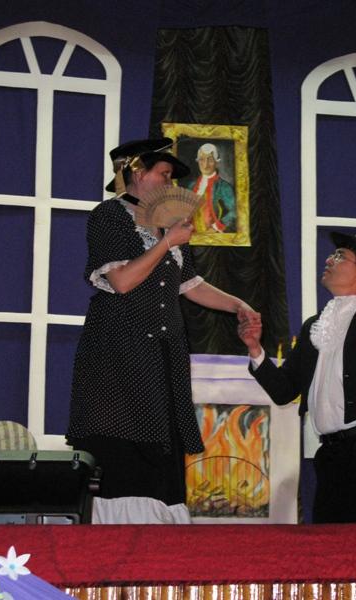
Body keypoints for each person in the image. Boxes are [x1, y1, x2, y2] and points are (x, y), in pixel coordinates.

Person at [67, 137, 260, 506]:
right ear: (138, 173)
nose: (170, 184)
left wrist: (238, 305)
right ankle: (119, 524)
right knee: (123, 439)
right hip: (119, 349)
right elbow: (122, 281)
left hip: (162, 350)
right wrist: (166, 242)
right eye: (164, 174)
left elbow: (190, 284)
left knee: (163, 441)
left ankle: (159, 525)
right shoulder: (109, 216)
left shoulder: (166, 226)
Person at [237, 214, 356, 523]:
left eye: (340, 256)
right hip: (333, 453)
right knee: (330, 542)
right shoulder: (314, 326)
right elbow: (284, 390)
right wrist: (255, 349)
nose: (329, 259)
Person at [187, 142, 237, 233]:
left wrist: (216, 227)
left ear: (216, 163)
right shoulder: (191, 186)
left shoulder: (224, 187)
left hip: (213, 237)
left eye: (210, 160)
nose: (205, 164)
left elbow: (235, 212)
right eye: (202, 159)